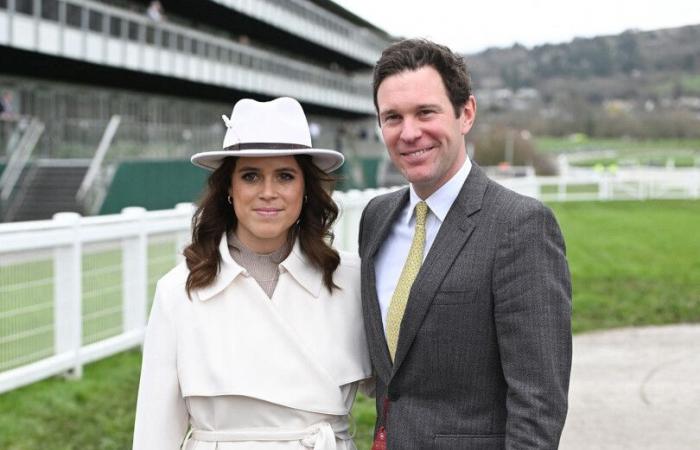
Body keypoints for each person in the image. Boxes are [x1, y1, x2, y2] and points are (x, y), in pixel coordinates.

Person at [358, 39, 572, 449]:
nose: (409, 133)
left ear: (465, 113)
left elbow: (539, 403)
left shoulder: (520, 226)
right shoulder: (376, 218)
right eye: (392, 117)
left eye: (425, 112)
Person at [133, 97, 372, 450]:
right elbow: (155, 432)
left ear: (306, 189)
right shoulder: (178, 290)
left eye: (285, 176)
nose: (268, 193)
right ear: (229, 188)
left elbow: (402, 394)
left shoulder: (349, 278)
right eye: (250, 176)